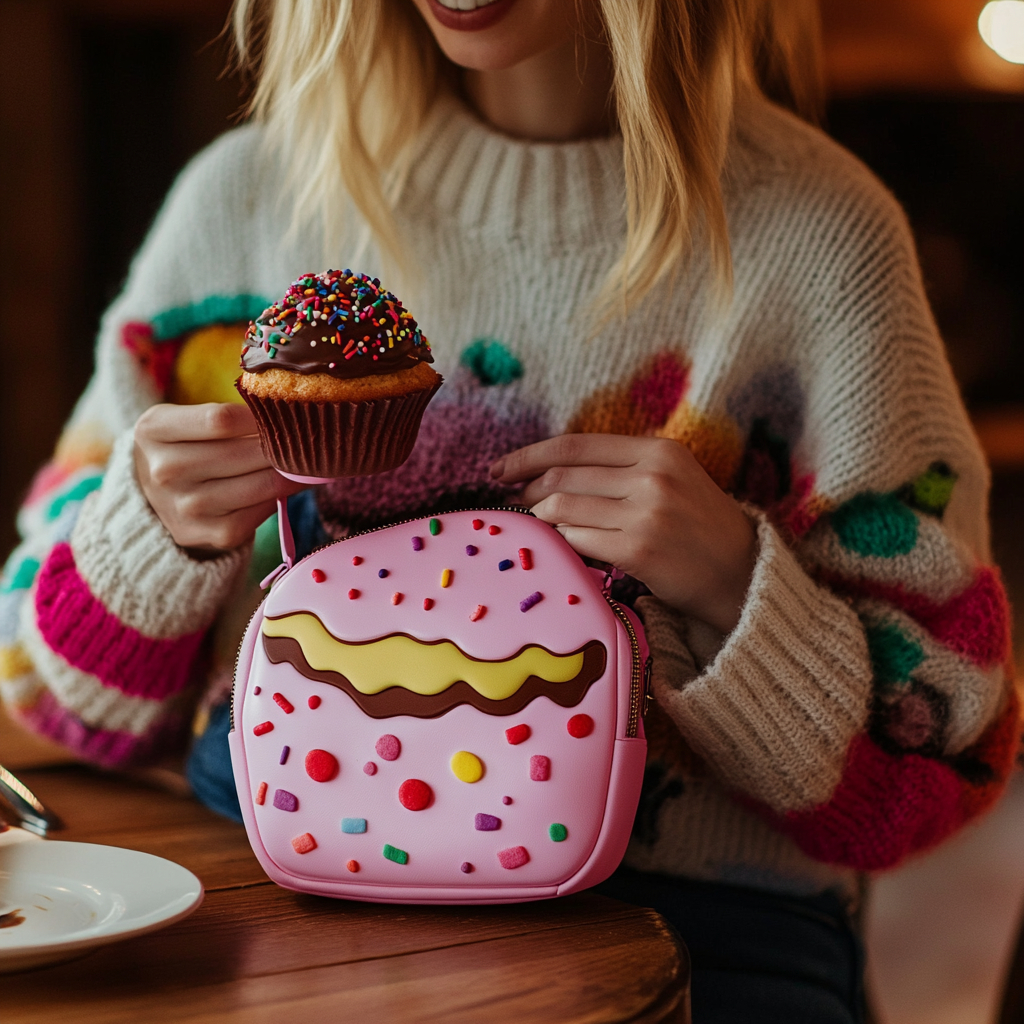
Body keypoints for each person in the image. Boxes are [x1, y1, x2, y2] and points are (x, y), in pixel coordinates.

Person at [0, 1, 1015, 1019]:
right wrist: (149, 537)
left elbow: (935, 766)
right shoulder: (248, 198)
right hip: (278, 894)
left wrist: (731, 585)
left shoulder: (820, 237)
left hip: (706, 933)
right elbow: (46, 699)